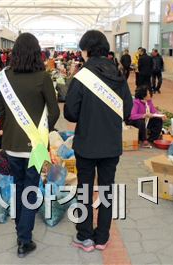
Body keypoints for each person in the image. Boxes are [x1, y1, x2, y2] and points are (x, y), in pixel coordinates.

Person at [64, 30, 133, 252]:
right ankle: (102, 238)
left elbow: (71, 113)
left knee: (84, 190)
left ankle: (85, 237)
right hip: (111, 145)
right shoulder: (119, 75)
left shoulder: (82, 76)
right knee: (106, 190)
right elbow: (127, 110)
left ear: (87, 50)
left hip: (86, 144)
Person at [0, 33, 60, 258]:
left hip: (11, 144)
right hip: (36, 146)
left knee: (19, 186)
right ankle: (24, 239)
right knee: (31, 188)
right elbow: (55, 111)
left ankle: (20, 232)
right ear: (37, 52)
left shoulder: (4, 77)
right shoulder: (43, 77)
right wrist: (42, 132)